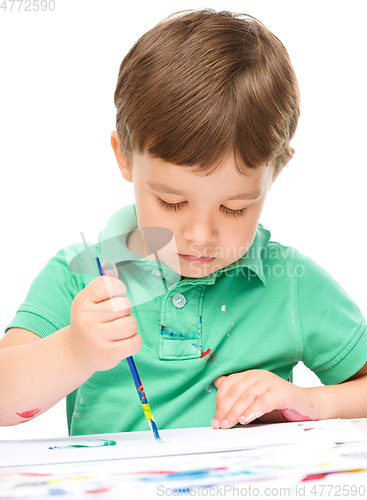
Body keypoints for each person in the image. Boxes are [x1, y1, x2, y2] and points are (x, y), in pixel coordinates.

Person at [1, 9, 366, 436]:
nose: (200, 235)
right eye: (171, 202)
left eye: (234, 208)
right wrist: (73, 351)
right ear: (124, 157)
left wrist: (310, 401)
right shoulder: (81, 275)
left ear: (275, 172)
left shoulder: (291, 284)